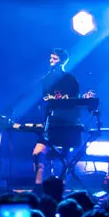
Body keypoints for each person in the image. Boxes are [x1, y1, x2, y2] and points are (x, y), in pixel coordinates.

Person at [32, 49, 85, 187]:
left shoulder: (71, 80)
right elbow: (44, 99)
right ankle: (38, 186)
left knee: (65, 159)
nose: (51, 61)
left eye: (54, 59)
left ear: (62, 61)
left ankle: (61, 186)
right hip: (51, 123)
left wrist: (68, 100)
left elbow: (76, 102)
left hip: (67, 124)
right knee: (37, 153)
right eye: (50, 58)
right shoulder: (46, 79)